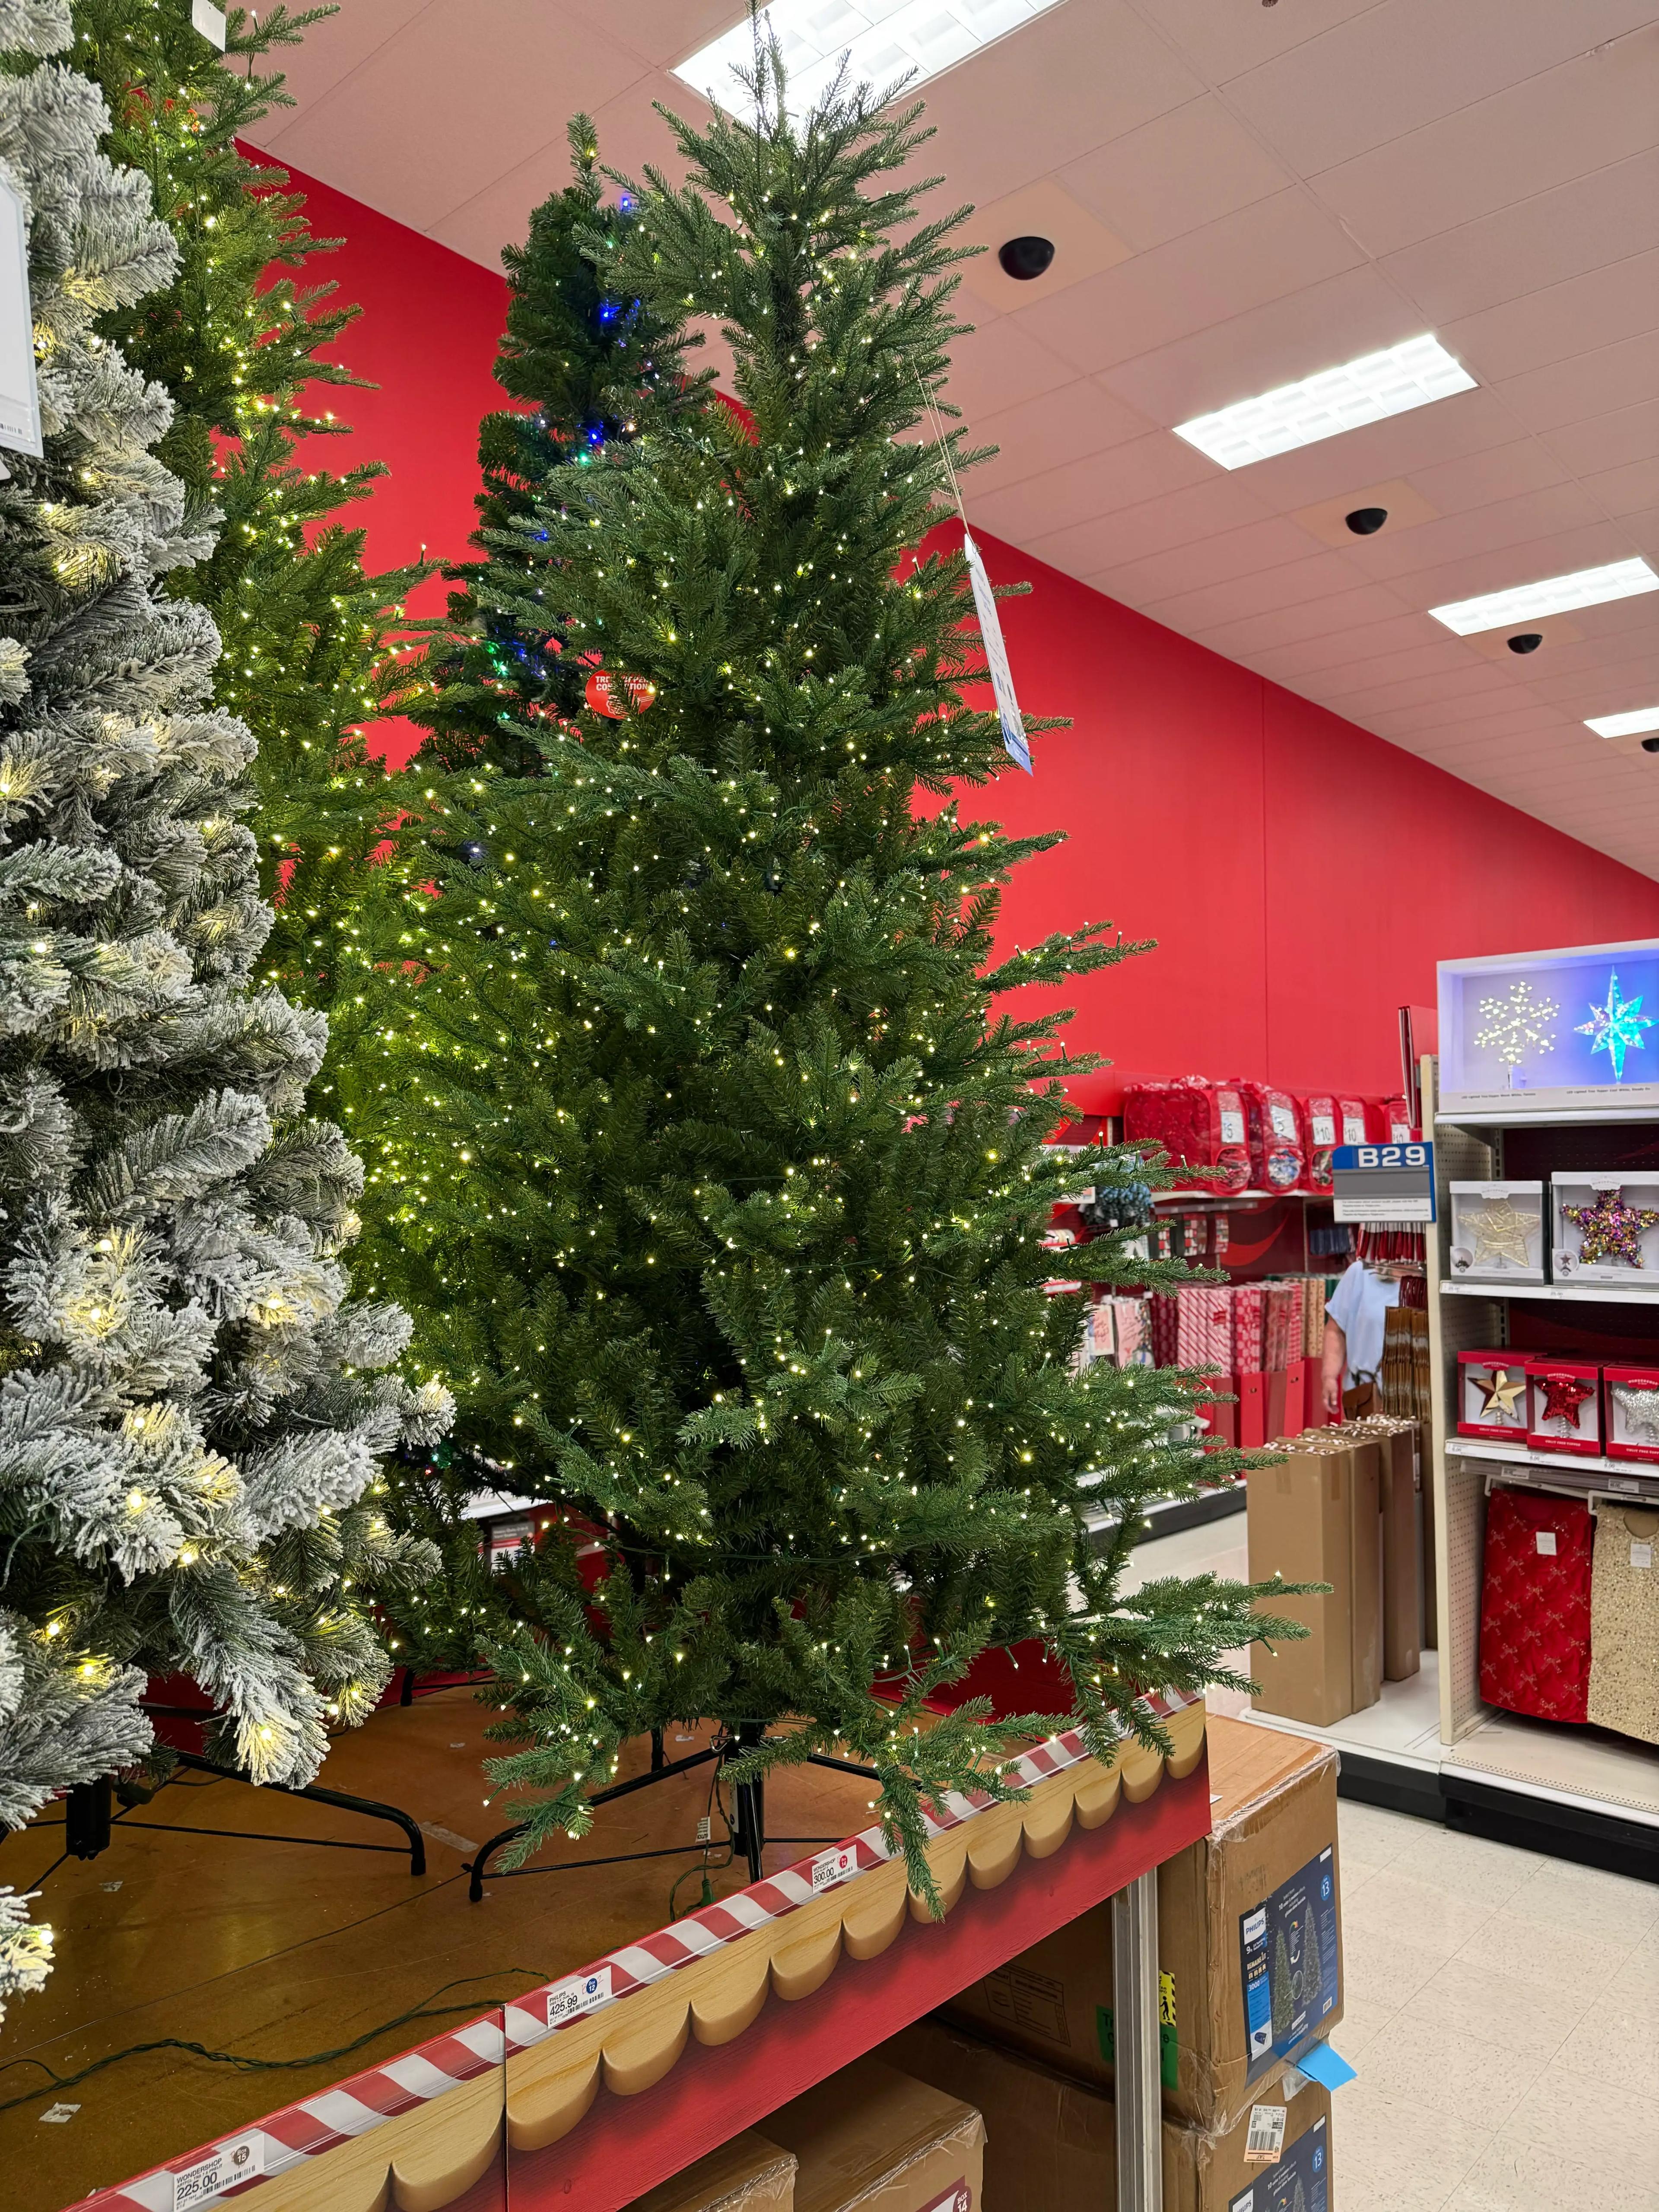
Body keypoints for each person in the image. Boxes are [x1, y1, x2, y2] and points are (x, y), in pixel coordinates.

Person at [1321, 1256, 1410, 1417]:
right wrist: (1329, 1376)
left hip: (1423, 1401)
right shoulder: (1361, 1273)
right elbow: (1336, 1331)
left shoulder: (1437, 1276)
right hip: (1366, 1400)